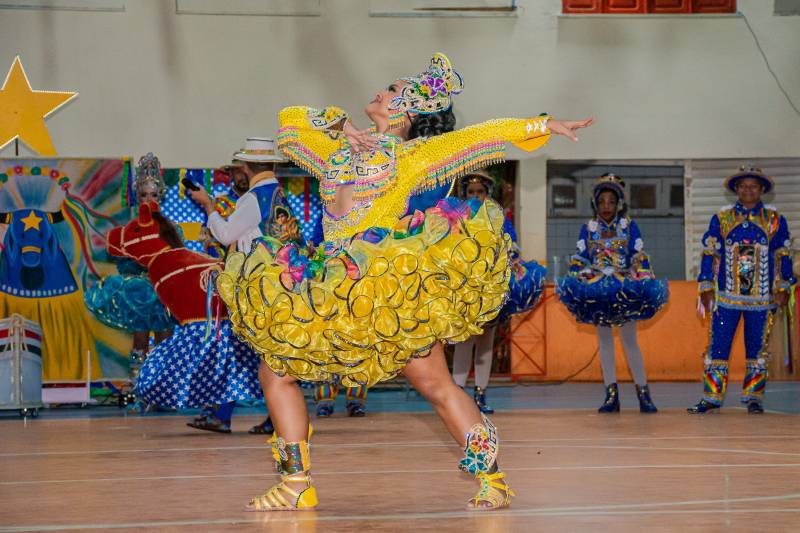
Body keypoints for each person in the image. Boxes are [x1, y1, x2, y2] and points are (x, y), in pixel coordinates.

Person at [217, 52, 592, 511]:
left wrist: (543, 125)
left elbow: (482, 136)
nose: (381, 91)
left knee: (435, 386)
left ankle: (492, 479)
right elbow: (288, 127)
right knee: (275, 370)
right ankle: (297, 483)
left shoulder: (414, 155)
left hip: (383, 291)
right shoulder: (334, 151)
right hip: (328, 285)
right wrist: (336, 126)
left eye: (393, 90)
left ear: (410, 113)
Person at [186, 139, 302, 434]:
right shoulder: (278, 195)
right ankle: (275, 419)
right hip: (283, 284)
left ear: (247, 167)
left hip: (261, 289)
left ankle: (277, 421)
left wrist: (208, 206)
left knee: (259, 356)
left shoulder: (252, 198)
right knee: (271, 357)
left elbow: (225, 235)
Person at [557, 174, 668, 413]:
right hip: (598, 291)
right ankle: (611, 395)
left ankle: (644, 395)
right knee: (605, 342)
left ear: (619, 204)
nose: (607, 206)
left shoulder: (629, 226)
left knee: (630, 341)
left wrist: (643, 277)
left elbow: (638, 255)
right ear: (596, 204)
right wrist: (577, 276)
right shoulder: (588, 229)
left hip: (624, 289)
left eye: (611, 201)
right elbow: (580, 258)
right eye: (602, 201)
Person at [688, 166, 795, 414]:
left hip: (761, 299)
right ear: (736, 189)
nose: (748, 190)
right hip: (726, 298)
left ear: (762, 190)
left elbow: (783, 255)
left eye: (754, 186)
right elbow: (710, 251)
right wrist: (705, 285)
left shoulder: (775, 220)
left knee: (756, 349)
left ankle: (753, 397)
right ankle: (712, 397)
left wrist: (783, 285)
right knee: (718, 347)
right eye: (743, 186)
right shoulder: (722, 218)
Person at [450, 171, 546, 414]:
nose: (475, 196)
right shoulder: (457, 215)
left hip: (492, 285)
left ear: (487, 194)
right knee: (464, 341)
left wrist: (511, 259)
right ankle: (458, 394)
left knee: (485, 343)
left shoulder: (497, 215)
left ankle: (481, 395)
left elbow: (512, 243)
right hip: (466, 286)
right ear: (464, 194)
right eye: (470, 192)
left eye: (479, 192)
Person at [84, 153, 175, 403]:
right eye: (144, 195)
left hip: (163, 289)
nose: (149, 200)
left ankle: (163, 387)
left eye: (154, 195)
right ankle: (138, 386)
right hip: (141, 292)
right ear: (137, 197)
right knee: (141, 339)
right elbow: (122, 260)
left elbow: (177, 255)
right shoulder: (131, 228)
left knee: (164, 340)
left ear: (161, 196)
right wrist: (138, 266)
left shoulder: (169, 226)